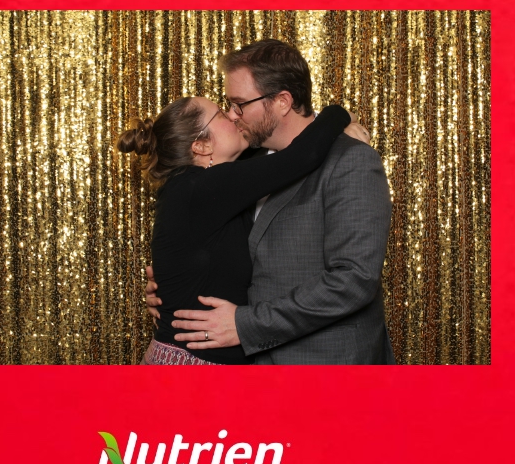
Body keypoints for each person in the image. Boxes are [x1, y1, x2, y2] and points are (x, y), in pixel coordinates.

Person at [166, 40, 395, 367]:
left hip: (327, 364)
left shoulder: (350, 160)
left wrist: (247, 325)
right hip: (254, 369)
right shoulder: (242, 165)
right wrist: (173, 285)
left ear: (282, 102)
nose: (232, 115)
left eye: (239, 104)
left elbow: (354, 280)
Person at [119, 83, 364, 365]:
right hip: (192, 370)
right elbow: (301, 156)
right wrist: (340, 114)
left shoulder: (196, 187)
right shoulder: (202, 187)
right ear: (201, 145)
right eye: (222, 114)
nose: (234, 116)